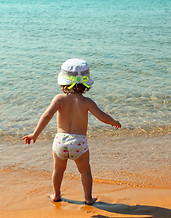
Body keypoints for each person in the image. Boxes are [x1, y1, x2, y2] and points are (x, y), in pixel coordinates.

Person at [23, 58, 121, 205]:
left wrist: (34, 134)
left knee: (58, 170)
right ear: (85, 83)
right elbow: (102, 117)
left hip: (60, 141)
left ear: (64, 81)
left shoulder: (59, 99)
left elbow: (47, 116)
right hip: (79, 142)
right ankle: (88, 198)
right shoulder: (87, 102)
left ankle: (56, 195)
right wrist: (114, 122)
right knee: (85, 171)